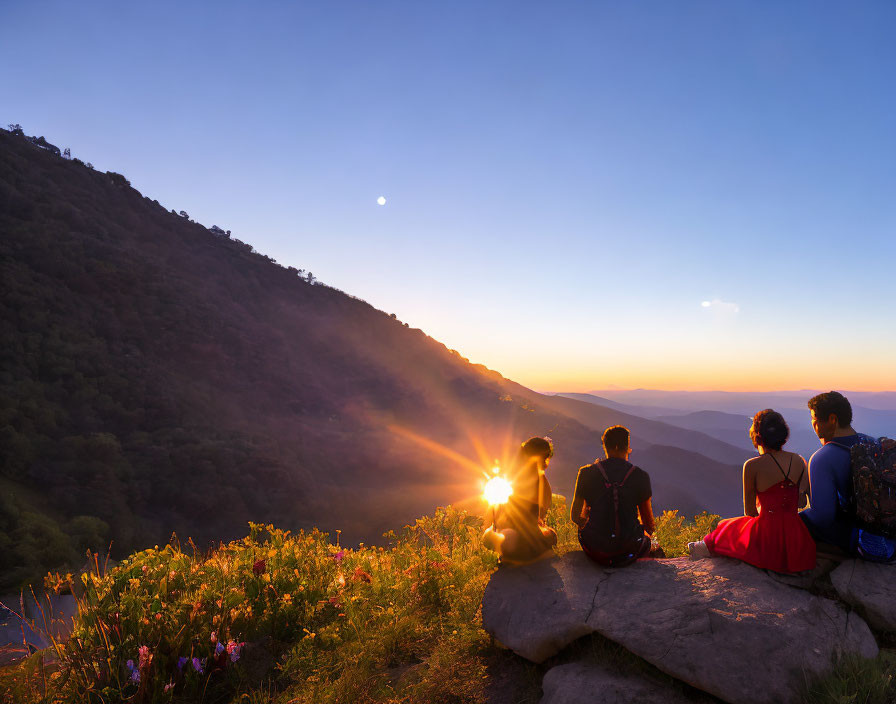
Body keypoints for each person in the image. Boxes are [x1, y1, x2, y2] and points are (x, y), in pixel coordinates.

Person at [690, 410, 816, 573]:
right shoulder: (799, 461)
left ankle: (699, 548)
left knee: (725, 528)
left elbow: (749, 512)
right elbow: (801, 502)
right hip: (796, 538)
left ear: (758, 436)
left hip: (767, 539)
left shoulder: (752, 466)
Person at [800, 391, 895, 561]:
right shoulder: (872, 442)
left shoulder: (823, 458)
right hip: (891, 534)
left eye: (814, 418)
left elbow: (823, 517)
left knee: (796, 524)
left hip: (865, 541)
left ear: (832, 419)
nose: (812, 424)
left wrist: (798, 517)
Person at [570, 425, 656, 567]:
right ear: (626, 446)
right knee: (647, 540)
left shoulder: (586, 473)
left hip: (595, 551)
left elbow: (575, 516)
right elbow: (648, 524)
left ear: (606, 446)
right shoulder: (640, 476)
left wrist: (591, 526)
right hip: (630, 552)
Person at [482, 436, 558, 564]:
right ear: (545, 458)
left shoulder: (511, 475)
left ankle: (509, 551)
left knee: (491, 535)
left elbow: (497, 512)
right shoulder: (542, 482)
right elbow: (541, 518)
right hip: (527, 540)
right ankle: (526, 549)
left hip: (508, 536)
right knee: (551, 535)